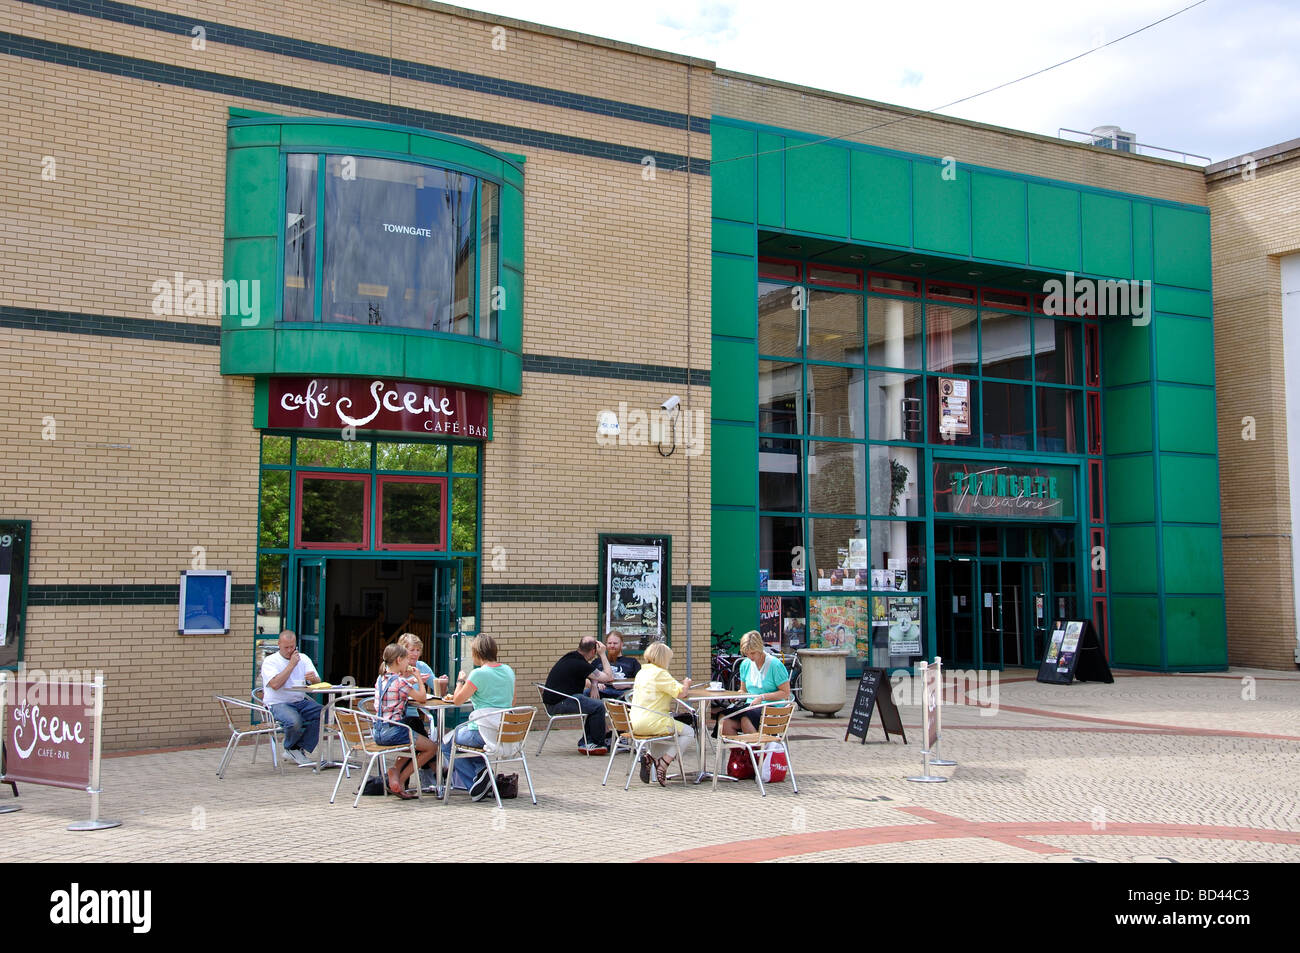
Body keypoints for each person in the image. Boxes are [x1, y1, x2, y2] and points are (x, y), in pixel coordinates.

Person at [440, 634, 516, 801]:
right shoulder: (509, 671)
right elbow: (512, 701)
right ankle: (484, 775)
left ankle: (476, 786)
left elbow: (458, 700)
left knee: (446, 744)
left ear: (477, 653)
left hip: (482, 732)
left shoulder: (478, 675)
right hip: (504, 732)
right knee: (465, 744)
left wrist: (460, 681)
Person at [373, 643, 439, 800]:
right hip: (394, 732)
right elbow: (422, 697)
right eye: (405, 661)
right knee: (431, 748)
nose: (408, 664)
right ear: (398, 660)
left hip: (378, 731)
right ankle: (401, 780)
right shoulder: (400, 682)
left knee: (414, 728)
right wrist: (417, 679)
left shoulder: (380, 679)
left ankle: (395, 771)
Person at [629, 642, 694, 785]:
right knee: (689, 732)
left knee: (665, 736)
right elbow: (681, 693)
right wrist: (686, 684)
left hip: (635, 722)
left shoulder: (642, 672)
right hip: (654, 721)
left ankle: (651, 757)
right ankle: (664, 762)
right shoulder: (660, 673)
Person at [260, 629, 323, 766]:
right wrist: (291, 665)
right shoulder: (270, 661)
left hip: (300, 701)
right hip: (278, 703)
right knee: (294, 720)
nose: (289, 650)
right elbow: (275, 684)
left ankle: (298, 748)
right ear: (279, 644)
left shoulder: (304, 658)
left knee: (325, 713)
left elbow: (318, 683)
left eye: (292, 647)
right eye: (286, 647)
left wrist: (314, 680)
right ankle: (290, 747)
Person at [543, 636, 612, 754]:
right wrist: (603, 654)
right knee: (598, 706)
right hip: (558, 703)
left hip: (557, 699)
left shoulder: (570, 657)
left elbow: (585, 677)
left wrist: (594, 685)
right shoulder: (581, 664)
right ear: (593, 651)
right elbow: (609, 678)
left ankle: (586, 741)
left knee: (589, 699)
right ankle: (597, 743)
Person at [397, 633, 448, 791]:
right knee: (424, 740)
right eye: (412, 649)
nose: (415, 653)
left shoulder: (422, 666)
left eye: (418, 650)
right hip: (397, 718)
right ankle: (439, 772)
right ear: (402, 650)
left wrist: (442, 682)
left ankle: (400, 777)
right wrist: (416, 679)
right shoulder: (395, 668)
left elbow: (439, 692)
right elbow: (404, 695)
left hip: (414, 715)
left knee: (417, 731)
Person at [716, 630, 791, 737]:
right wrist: (737, 696)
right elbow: (744, 690)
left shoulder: (775, 664)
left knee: (746, 719)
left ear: (760, 649)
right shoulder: (745, 664)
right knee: (724, 718)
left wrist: (762, 697)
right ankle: (741, 752)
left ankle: (756, 752)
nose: (750, 656)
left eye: (753, 653)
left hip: (772, 707)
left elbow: (785, 693)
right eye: (747, 653)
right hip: (751, 706)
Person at [590, 631, 641, 700]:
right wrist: (594, 684)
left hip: (624, 693)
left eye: (615, 643)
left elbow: (641, 682)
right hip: (602, 692)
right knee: (587, 692)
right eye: (609, 643)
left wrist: (628, 685)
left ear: (621, 644)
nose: (612, 646)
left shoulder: (632, 662)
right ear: (606, 644)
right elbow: (585, 679)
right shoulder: (597, 661)